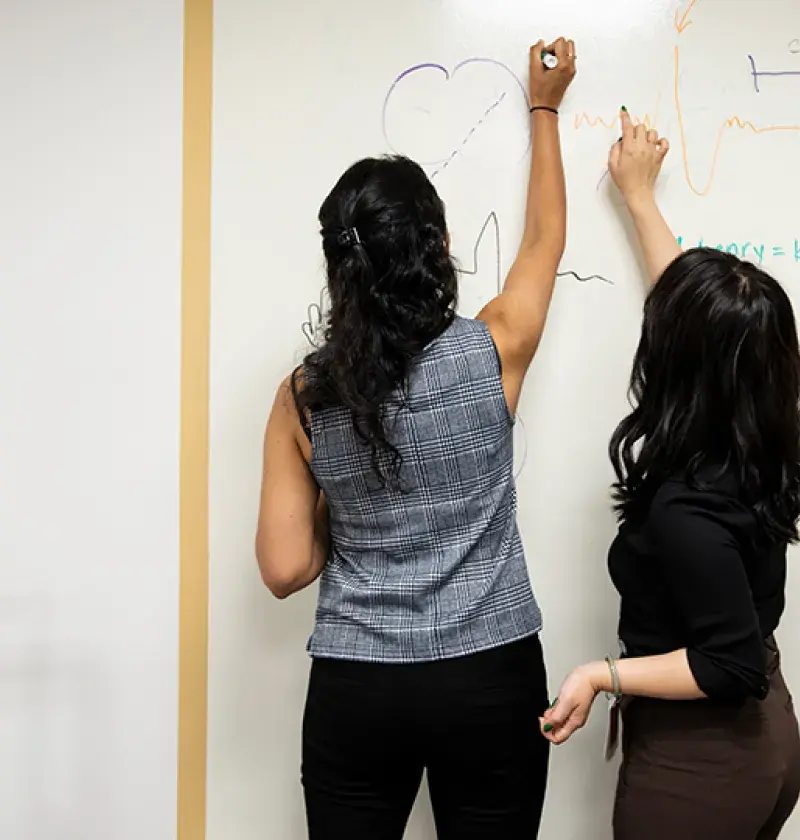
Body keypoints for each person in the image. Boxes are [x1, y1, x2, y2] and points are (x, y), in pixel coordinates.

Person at [255, 38, 576, 839]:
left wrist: (353, 499)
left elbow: (286, 566)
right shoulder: (495, 346)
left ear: (340, 270)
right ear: (435, 249)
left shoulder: (304, 398)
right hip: (491, 677)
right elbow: (544, 244)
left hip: (359, 685)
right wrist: (545, 108)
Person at [540, 109, 800, 840]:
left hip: (702, 768)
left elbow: (730, 662)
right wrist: (640, 197)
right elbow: (708, 325)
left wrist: (601, 676)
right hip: (762, 743)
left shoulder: (689, 510)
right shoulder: (760, 426)